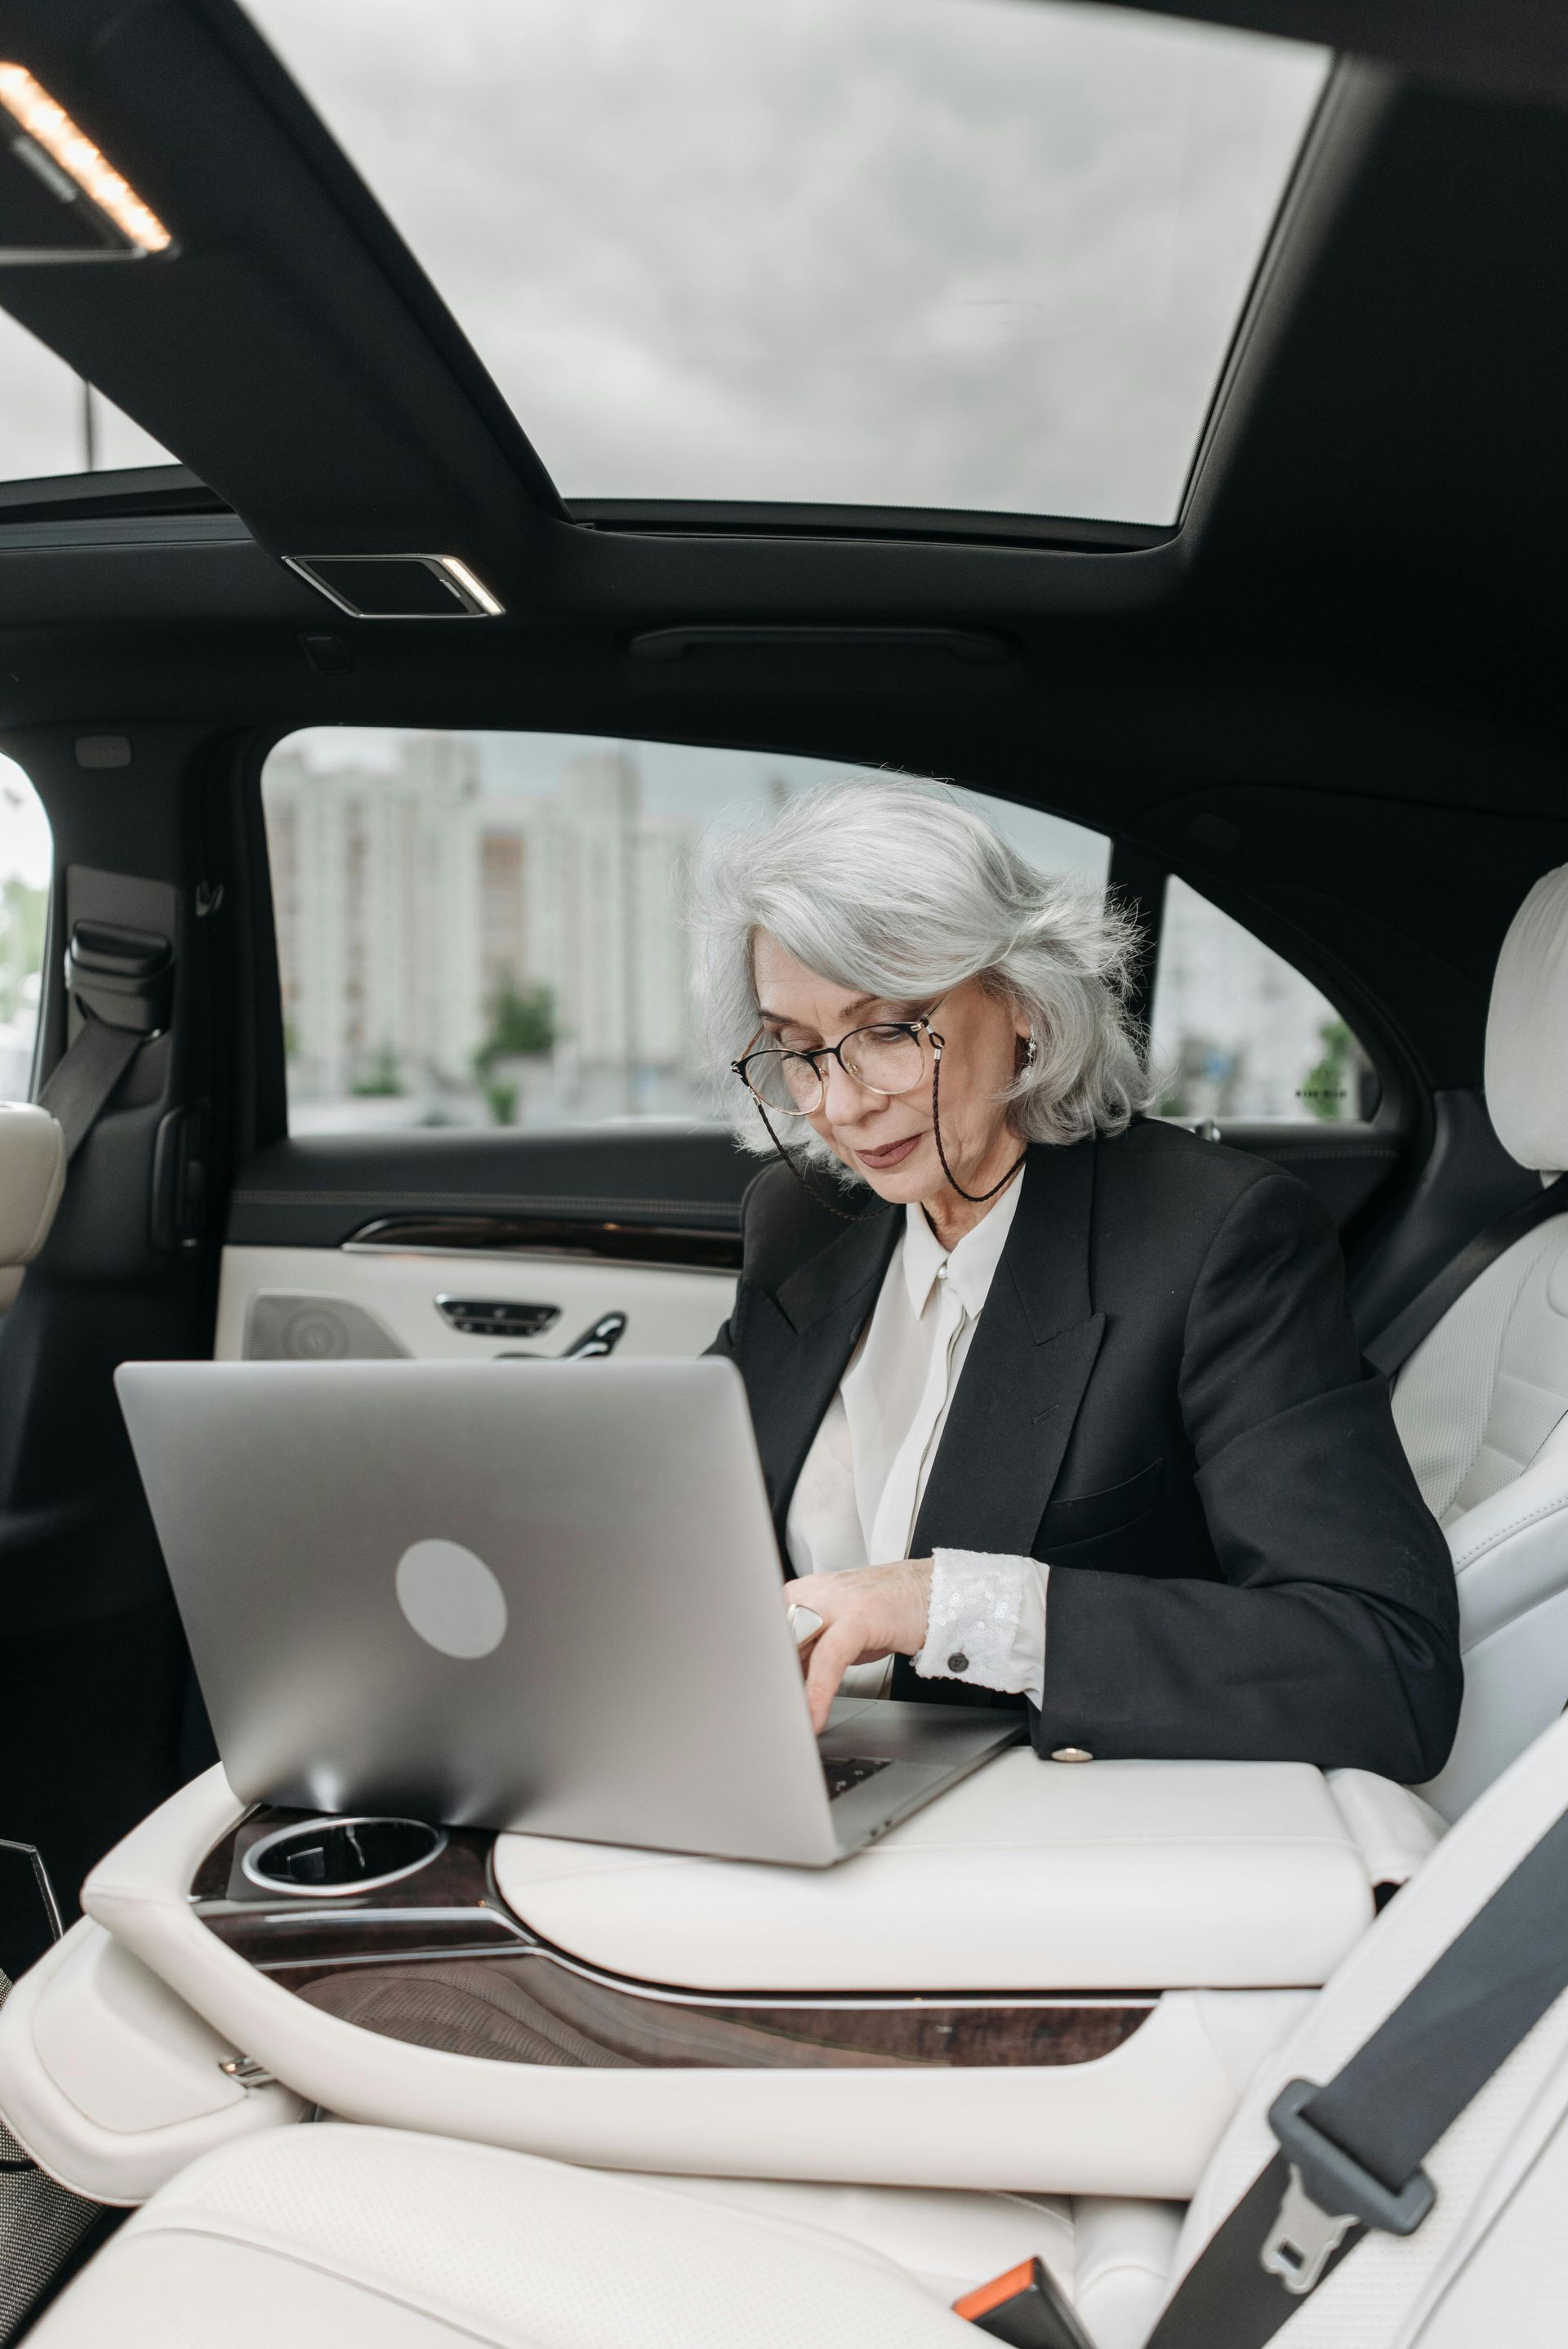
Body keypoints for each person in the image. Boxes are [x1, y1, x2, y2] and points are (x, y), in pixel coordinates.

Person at [694, 781, 1459, 1779]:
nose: (838, 1102)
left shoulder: (1214, 1238)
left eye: (887, 1029)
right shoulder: (803, 1220)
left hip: (1047, 1823)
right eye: (797, 1050)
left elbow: (1383, 1668)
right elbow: (698, 1509)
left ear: (1020, 1000)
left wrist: (950, 1605)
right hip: (793, 1774)